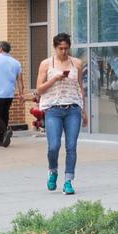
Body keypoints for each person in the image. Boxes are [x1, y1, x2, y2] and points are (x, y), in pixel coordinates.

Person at [35, 32, 86, 195]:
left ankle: (68, 181)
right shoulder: (46, 64)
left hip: (73, 109)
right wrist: (54, 79)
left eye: (66, 48)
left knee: (71, 146)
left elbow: (80, 88)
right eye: (60, 48)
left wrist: (83, 110)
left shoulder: (76, 63)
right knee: (54, 146)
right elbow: (39, 89)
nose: (63, 51)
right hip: (53, 109)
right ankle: (53, 171)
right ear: (55, 47)